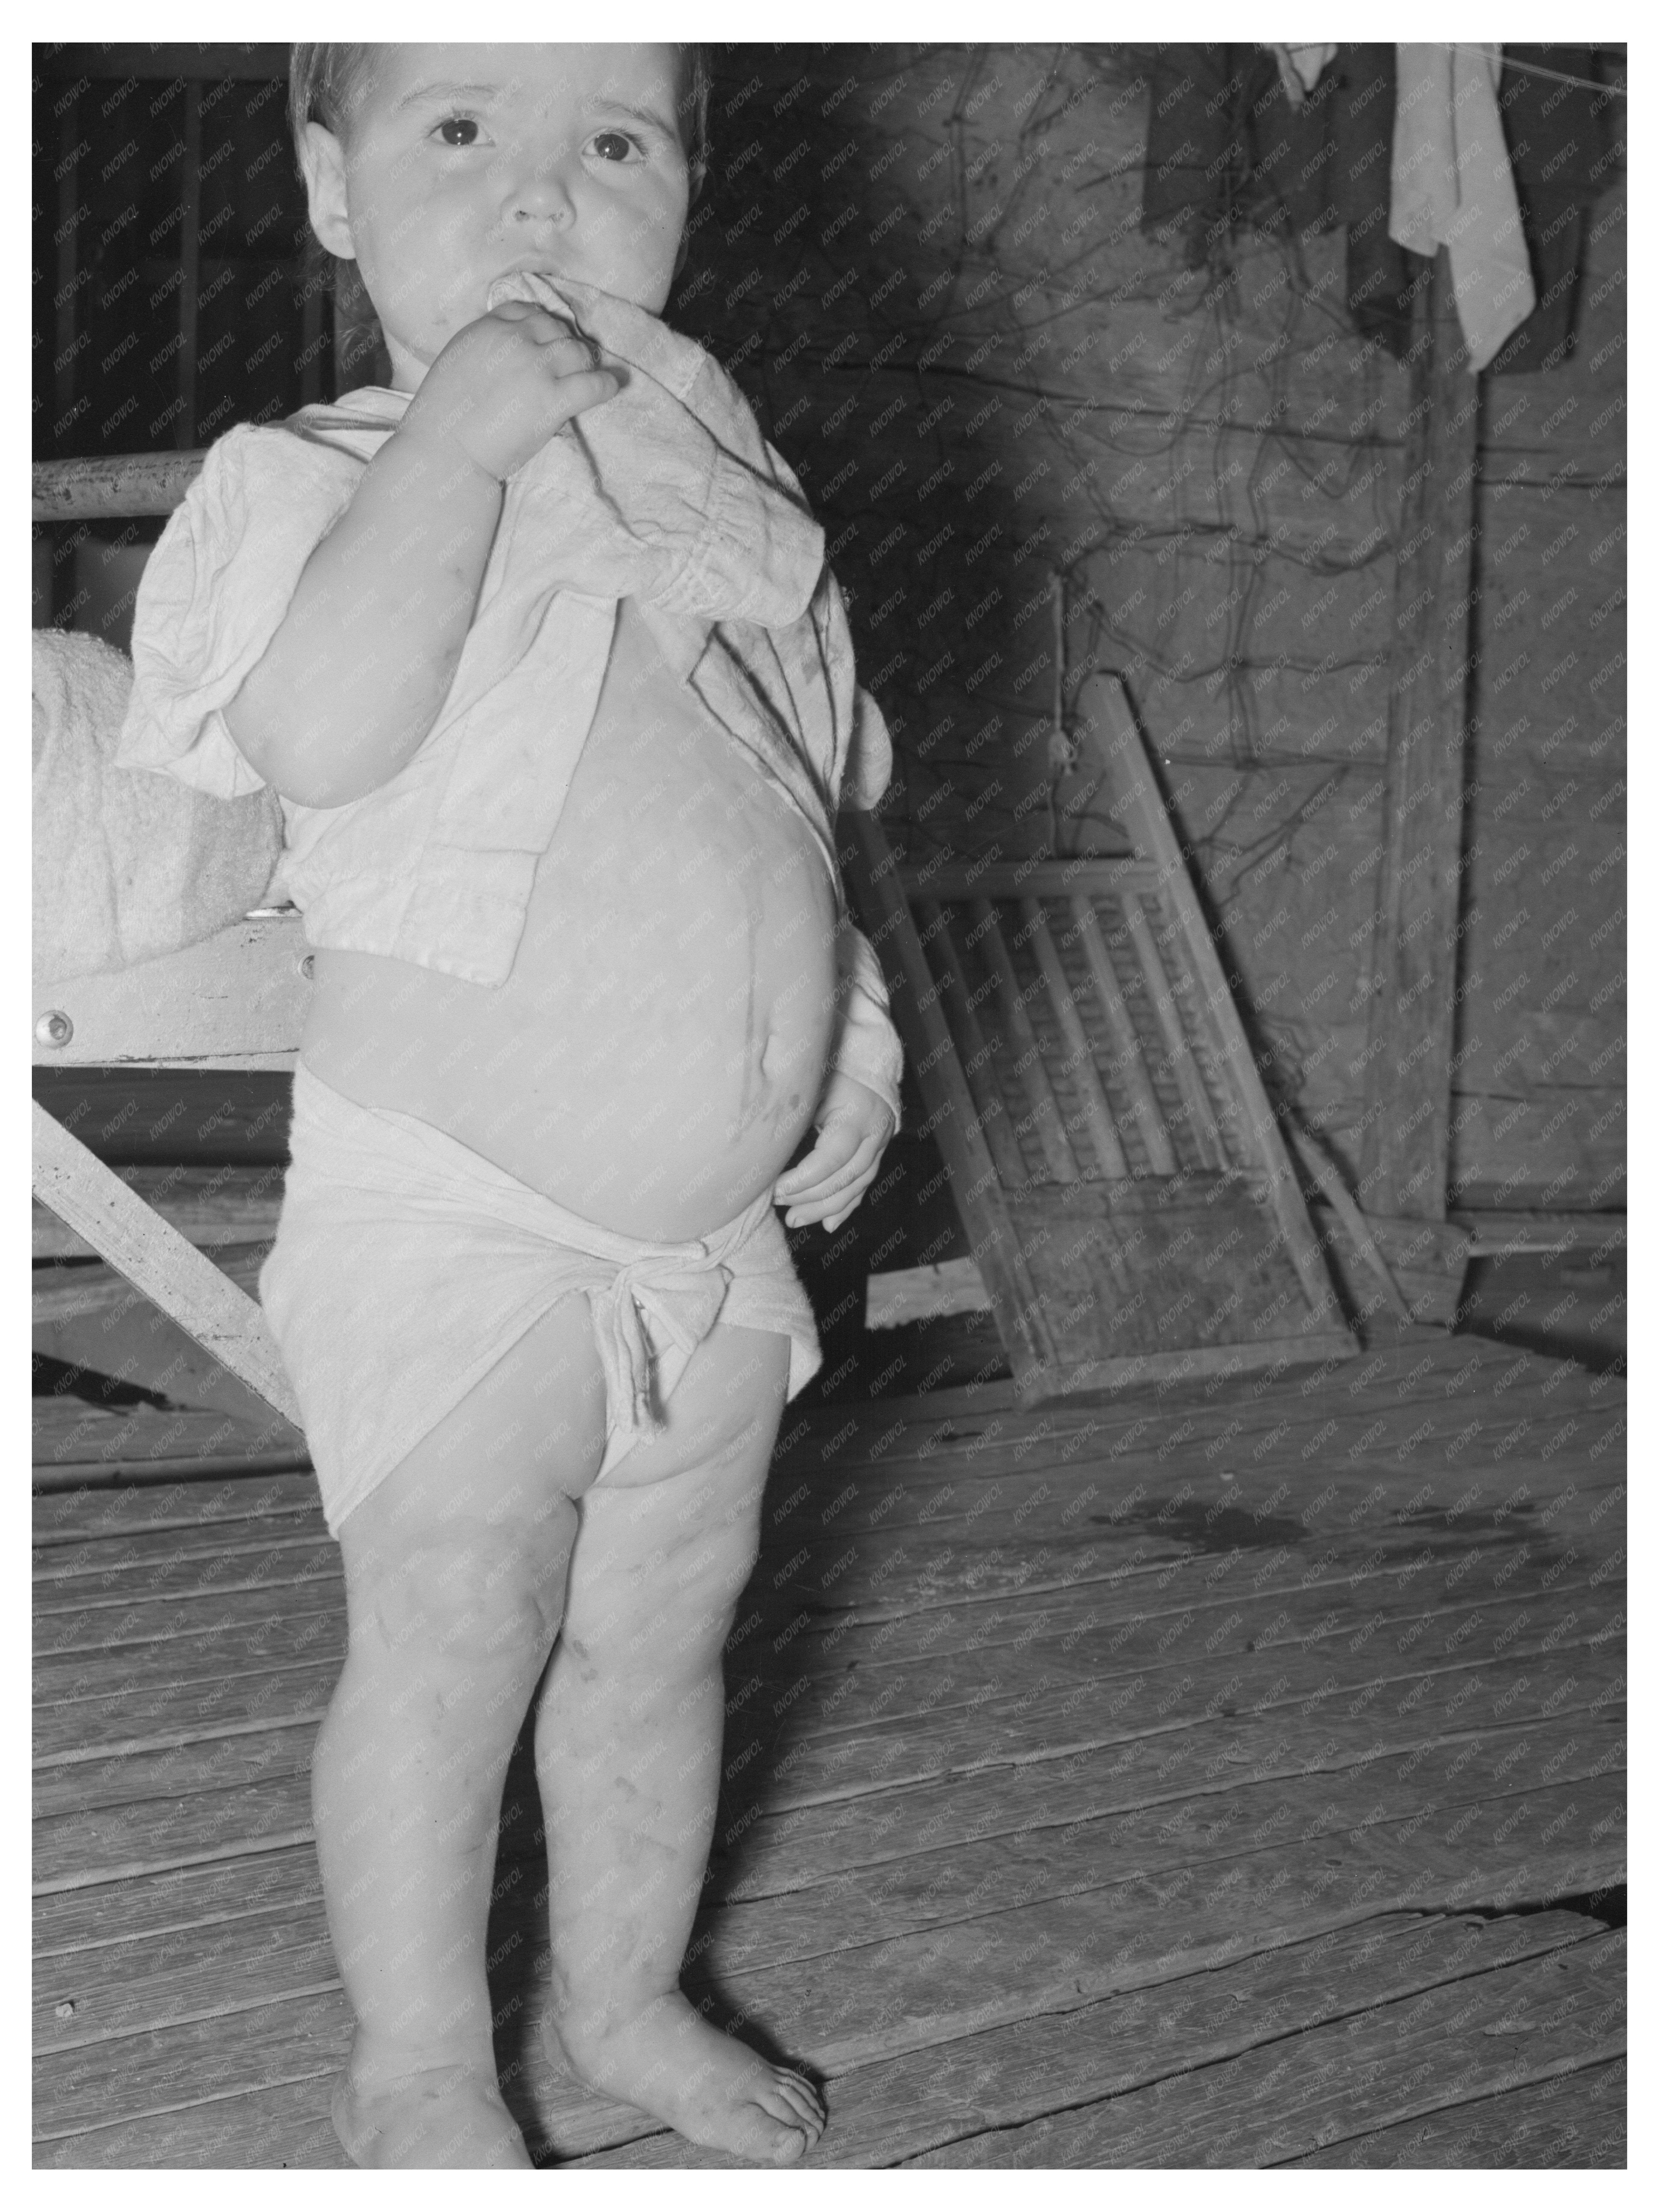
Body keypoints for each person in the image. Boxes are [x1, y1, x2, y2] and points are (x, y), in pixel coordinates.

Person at [118, 41, 903, 2169]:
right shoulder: (318, 474)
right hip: (454, 1202)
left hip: (708, 1244)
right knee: (461, 1612)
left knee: (661, 1639)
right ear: (334, 190)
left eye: (619, 143)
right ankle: (421, 2067)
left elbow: (810, 810)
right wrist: (453, 457)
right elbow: (325, 731)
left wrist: (851, 1040)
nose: (546, 197)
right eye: (463, 130)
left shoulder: (728, 511)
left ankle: (627, 1995)